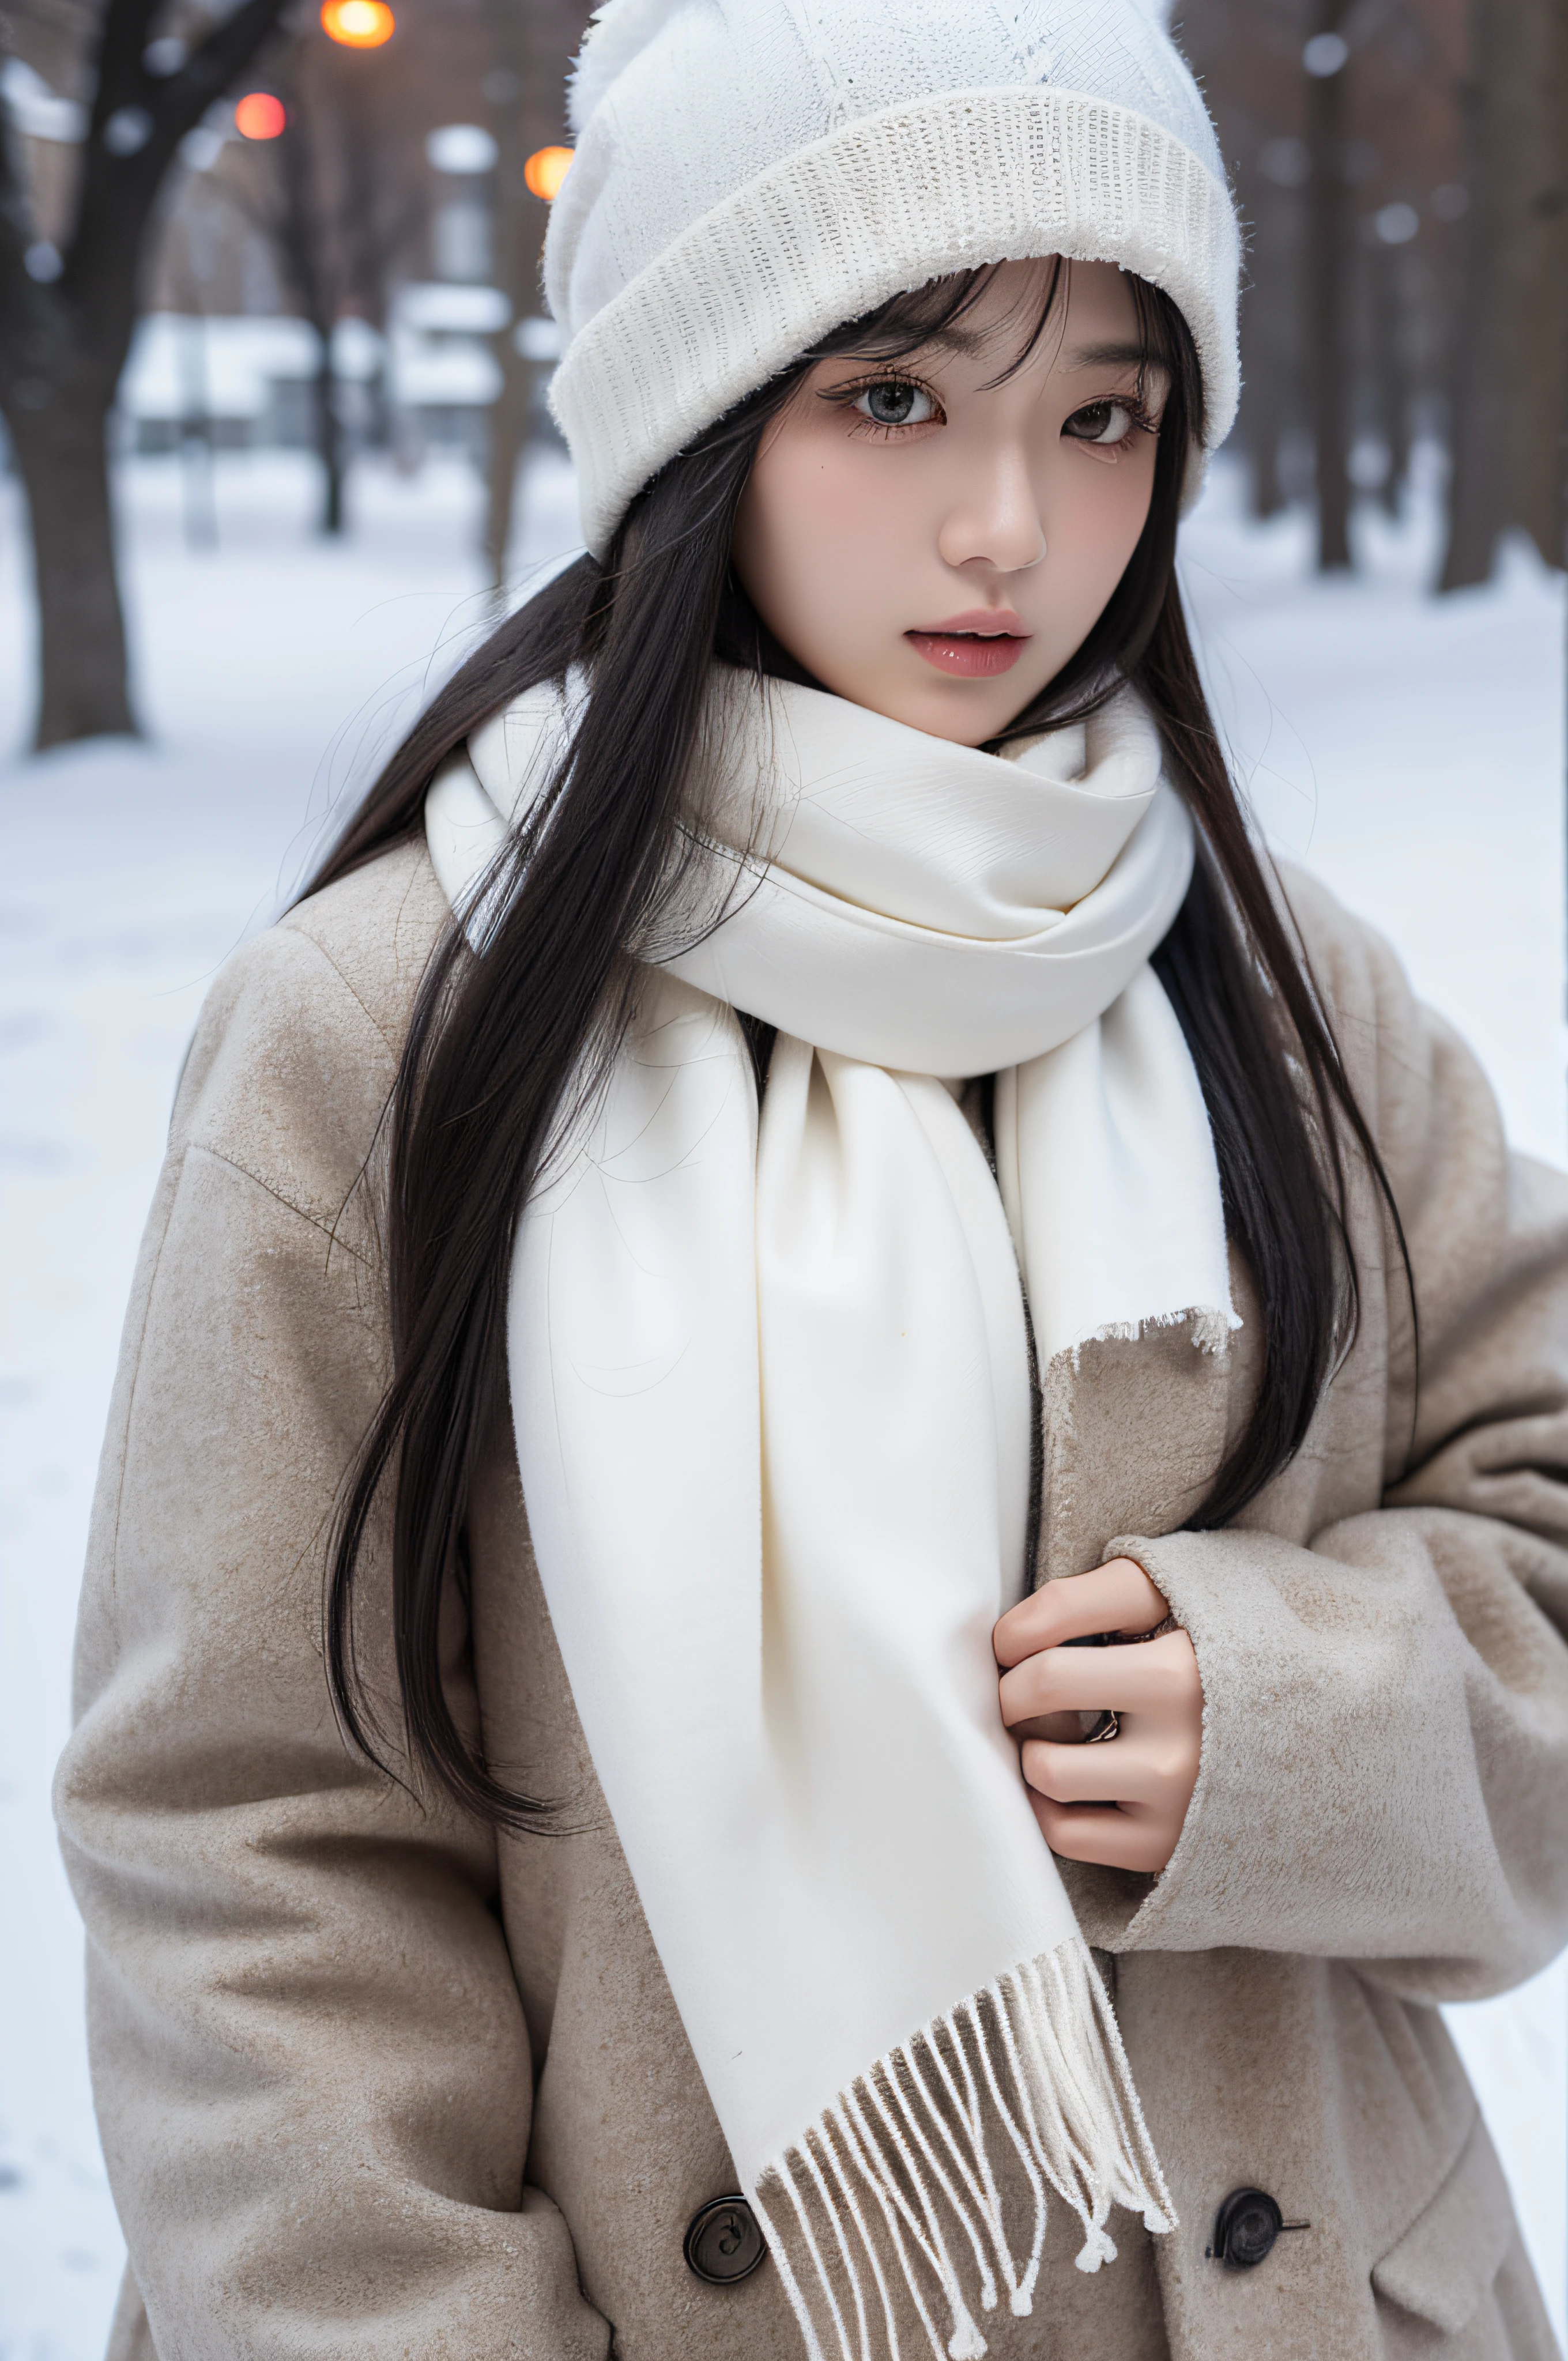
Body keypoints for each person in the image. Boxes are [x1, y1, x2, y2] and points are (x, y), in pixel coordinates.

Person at [56, 2, 1568, 2357]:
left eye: (1103, 415)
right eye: (891, 397)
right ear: (696, 408)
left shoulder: (1262, 982)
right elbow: (248, 1843)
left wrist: (1285, 1719)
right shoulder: (381, 1036)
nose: (1012, 527)